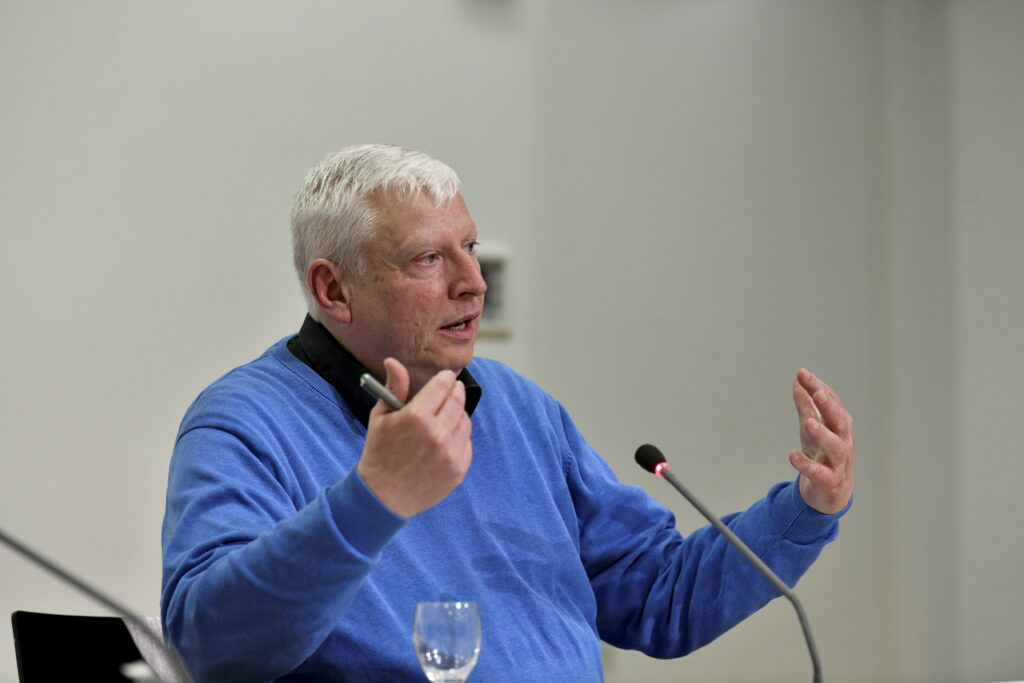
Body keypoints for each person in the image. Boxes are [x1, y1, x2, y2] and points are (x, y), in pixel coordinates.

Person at [161, 144, 855, 682]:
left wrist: (804, 510)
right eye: (430, 257)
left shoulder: (521, 409)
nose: (474, 282)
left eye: (469, 245)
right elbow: (211, 644)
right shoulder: (243, 422)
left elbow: (657, 594)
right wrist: (373, 500)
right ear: (333, 287)